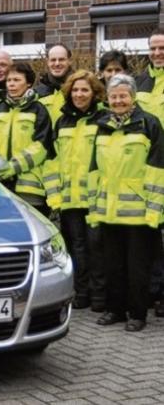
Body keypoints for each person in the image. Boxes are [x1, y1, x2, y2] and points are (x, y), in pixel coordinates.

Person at [89, 74, 164, 332]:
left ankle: (137, 313)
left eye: (123, 96)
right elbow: (94, 171)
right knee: (113, 265)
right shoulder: (102, 125)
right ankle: (115, 310)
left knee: (137, 268)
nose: (118, 100)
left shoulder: (149, 124)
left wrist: (155, 212)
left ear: (132, 97)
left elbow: (157, 172)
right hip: (109, 211)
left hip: (139, 213)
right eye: (113, 96)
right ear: (107, 99)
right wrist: (94, 209)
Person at [43, 70, 107, 311]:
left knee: (97, 247)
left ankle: (100, 297)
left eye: (85, 90)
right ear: (69, 93)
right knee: (76, 247)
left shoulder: (104, 120)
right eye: (76, 90)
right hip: (69, 201)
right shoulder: (62, 122)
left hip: (96, 200)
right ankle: (81, 294)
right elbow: (51, 162)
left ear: (94, 93)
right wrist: (54, 196)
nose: (79, 94)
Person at [0, 63, 53, 216]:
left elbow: (41, 147)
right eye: (9, 80)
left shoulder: (39, 109)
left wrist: (12, 167)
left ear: (29, 83)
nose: (11, 84)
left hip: (29, 189)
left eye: (17, 80)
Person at [135, 29, 164, 318]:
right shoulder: (140, 82)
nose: (157, 53)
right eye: (153, 48)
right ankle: (154, 291)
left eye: (161, 48)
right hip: (147, 169)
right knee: (152, 235)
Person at [36, 43, 74, 125]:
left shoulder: (79, 90)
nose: (57, 64)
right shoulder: (36, 94)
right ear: (47, 62)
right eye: (53, 60)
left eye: (61, 59)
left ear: (70, 61)